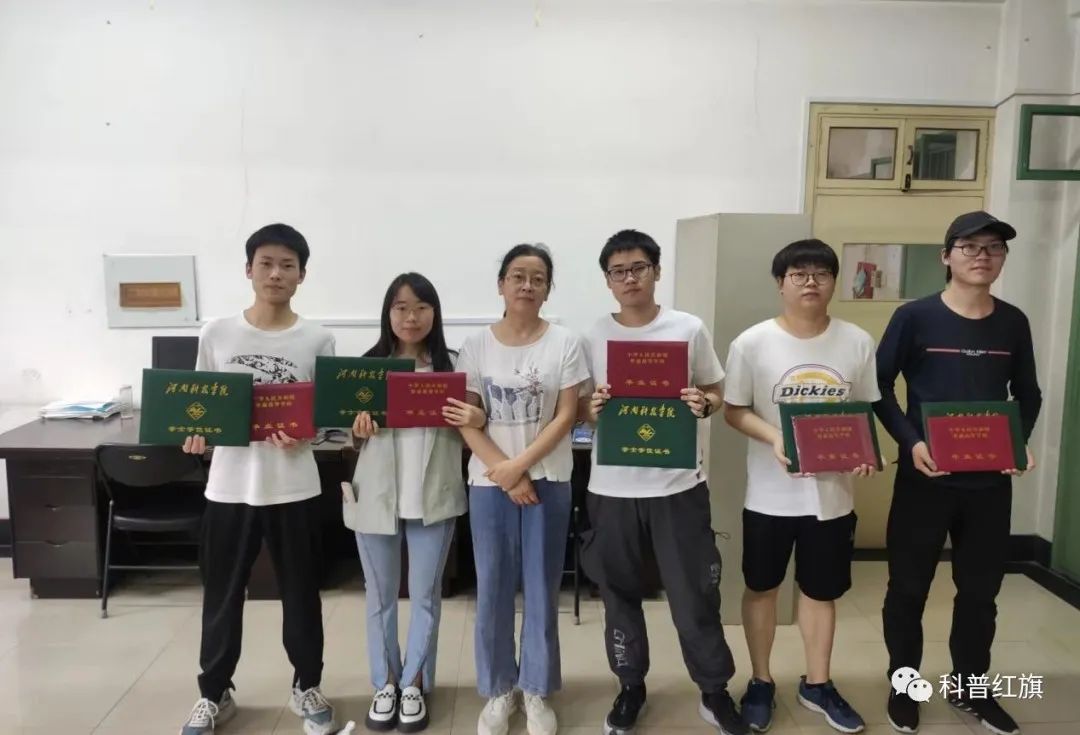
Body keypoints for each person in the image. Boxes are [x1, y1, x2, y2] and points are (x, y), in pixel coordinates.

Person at [874, 212, 1042, 735]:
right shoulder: (914, 317)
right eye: (970, 246)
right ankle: (905, 686)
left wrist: (1017, 443)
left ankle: (971, 687)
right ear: (946, 256)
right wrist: (911, 441)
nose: (982, 256)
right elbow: (879, 387)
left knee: (980, 593)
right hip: (925, 479)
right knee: (908, 588)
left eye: (994, 248)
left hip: (989, 484)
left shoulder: (1013, 322)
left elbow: (1028, 393)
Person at [579, 229, 748, 735]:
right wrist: (591, 409)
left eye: (638, 268)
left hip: (677, 487)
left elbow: (715, 390)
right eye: (618, 271)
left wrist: (704, 403)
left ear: (656, 271)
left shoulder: (687, 328)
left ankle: (714, 690)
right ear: (607, 280)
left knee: (695, 596)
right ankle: (630, 686)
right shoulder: (592, 335)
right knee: (619, 596)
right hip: (612, 489)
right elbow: (580, 407)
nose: (629, 278)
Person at [180, 224, 337, 735]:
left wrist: (306, 434)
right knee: (222, 596)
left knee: (302, 594)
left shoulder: (317, 338)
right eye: (266, 263)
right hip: (230, 488)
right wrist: (196, 435)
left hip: (295, 486)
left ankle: (306, 685)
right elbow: (199, 408)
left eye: (287, 265)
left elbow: (325, 417)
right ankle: (214, 693)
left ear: (302, 275)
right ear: (249, 269)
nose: (276, 274)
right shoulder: (217, 333)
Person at [723, 239, 879, 734]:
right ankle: (761, 681)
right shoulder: (752, 343)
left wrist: (862, 453)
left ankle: (818, 683)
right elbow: (734, 410)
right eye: (799, 274)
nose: (810, 282)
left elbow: (862, 412)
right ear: (781, 283)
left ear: (834, 282)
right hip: (769, 497)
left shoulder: (857, 341)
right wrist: (775, 437)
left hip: (832, 498)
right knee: (762, 587)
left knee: (820, 591)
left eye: (821, 273)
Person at [456, 244, 590, 735]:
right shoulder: (475, 345)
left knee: (541, 587)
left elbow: (567, 415)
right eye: (518, 276)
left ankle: (535, 688)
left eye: (538, 278)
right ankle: (498, 689)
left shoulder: (565, 342)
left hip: (547, 480)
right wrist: (506, 472)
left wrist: (521, 467)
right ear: (501, 284)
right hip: (489, 483)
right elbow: (465, 417)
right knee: (492, 587)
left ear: (548, 289)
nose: (527, 285)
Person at [344, 273, 484, 732]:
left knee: (425, 596)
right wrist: (357, 430)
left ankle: (414, 682)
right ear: (388, 313)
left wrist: (476, 415)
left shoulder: (455, 368)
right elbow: (343, 431)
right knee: (380, 597)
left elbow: (476, 424)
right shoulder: (366, 367)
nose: (411, 317)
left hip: (434, 498)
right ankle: (385, 682)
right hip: (376, 498)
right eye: (401, 307)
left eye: (421, 307)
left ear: (434, 314)